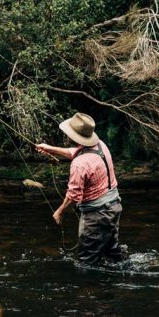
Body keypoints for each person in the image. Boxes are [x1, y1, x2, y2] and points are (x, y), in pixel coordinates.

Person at [36, 112, 124, 265]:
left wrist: (59, 211)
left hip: (97, 215)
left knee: (86, 261)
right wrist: (50, 149)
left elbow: (73, 195)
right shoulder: (100, 145)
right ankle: (118, 282)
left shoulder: (79, 164)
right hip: (114, 206)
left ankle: (90, 287)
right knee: (112, 254)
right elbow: (75, 153)